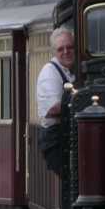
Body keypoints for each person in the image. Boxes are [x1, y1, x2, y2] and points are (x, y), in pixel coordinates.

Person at [35, 26, 78, 179]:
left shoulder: (70, 70)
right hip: (57, 138)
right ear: (54, 52)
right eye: (61, 49)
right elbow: (54, 109)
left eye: (70, 47)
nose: (66, 51)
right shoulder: (50, 73)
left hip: (67, 134)